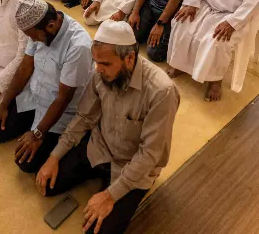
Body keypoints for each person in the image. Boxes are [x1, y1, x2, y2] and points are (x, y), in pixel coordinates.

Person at [35, 20, 180, 234]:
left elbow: (150, 153)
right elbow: (84, 117)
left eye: (105, 64)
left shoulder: (161, 91)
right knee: (47, 184)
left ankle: (112, 186)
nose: (98, 70)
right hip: (99, 148)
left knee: (96, 230)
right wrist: (54, 157)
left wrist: (110, 195)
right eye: (96, 62)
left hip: (131, 166)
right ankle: (97, 174)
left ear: (129, 58)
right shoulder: (101, 74)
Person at [0, 0, 93, 174]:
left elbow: (63, 97)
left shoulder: (78, 46)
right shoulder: (38, 26)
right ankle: (33, 124)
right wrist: (4, 104)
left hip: (61, 110)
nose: (33, 40)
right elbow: (25, 67)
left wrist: (38, 134)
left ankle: (80, 141)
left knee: (26, 163)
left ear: (51, 26)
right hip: (34, 97)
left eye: (33, 36)